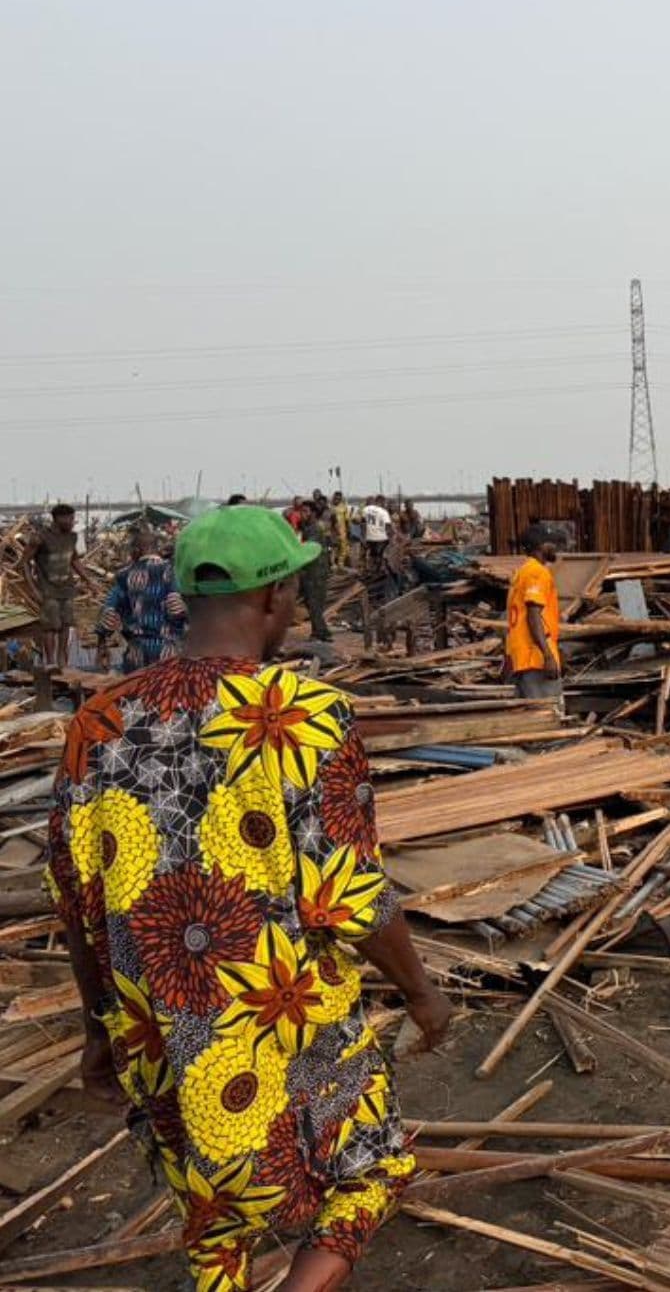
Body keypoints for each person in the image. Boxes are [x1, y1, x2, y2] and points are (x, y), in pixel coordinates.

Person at [45, 504, 452, 1292]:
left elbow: (79, 907)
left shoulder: (98, 724)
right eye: (296, 592)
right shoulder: (302, 717)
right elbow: (350, 895)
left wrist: (100, 1031)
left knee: (215, 1226)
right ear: (274, 599)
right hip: (283, 1016)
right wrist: (422, 992)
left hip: (161, 1031)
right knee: (372, 1172)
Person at [95, 526, 187, 673]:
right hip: (170, 652)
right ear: (158, 549)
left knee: (136, 694)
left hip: (136, 652)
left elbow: (109, 612)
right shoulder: (174, 572)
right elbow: (189, 612)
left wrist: (101, 644)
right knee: (167, 693)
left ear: (135, 551)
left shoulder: (124, 575)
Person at [504, 526, 563, 701]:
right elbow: (533, 615)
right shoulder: (537, 572)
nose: (555, 548)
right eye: (551, 543)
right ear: (541, 546)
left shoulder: (522, 572)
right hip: (535, 659)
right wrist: (548, 655)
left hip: (522, 657)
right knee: (548, 715)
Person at [29, 503, 80, 668]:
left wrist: (89, 580)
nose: (73, 521)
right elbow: (23, 564)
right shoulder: (40, 538)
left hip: (67, 588)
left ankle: (63, 662)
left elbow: (74, 560)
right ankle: (50, 663)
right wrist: (34, 589)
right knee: (50, 627)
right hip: (48, 589)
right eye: (70, 518)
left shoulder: (72, 537)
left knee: (65, 625)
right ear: (59, 518)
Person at [297, 502, 334, 643]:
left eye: (305, 511)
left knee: (314, 603)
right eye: (302, 511)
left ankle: (318, 633)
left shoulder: (314, 529)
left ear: (312, 512)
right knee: (313, 603)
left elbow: (308, 548)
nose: (302, 514)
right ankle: (322, 631)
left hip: (315, 571)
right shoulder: (311, 528)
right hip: (315, 570)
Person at [360, 496, 392, 570]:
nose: (385, 504)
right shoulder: (384, 512)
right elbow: (388, 527)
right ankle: (378, 570)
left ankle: (372, 570)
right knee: (380, 555)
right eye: (384, 503)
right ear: (381, 502)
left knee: (372, 555)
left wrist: (363, 537)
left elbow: (363, 524)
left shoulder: (366, 509)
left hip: (370, 537)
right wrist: (390, 538)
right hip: (381, 538)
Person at [329, 492, 352, 570]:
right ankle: (332, 564)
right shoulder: (330, 507)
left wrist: (349, 530)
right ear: (333, 498)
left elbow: (347, 520)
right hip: (333, 532)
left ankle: (340, 563)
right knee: (333, 548)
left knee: (343, 548)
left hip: (343, 531)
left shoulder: (344, 507)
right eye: (336, 498)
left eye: (339, 498)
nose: (337, 499)